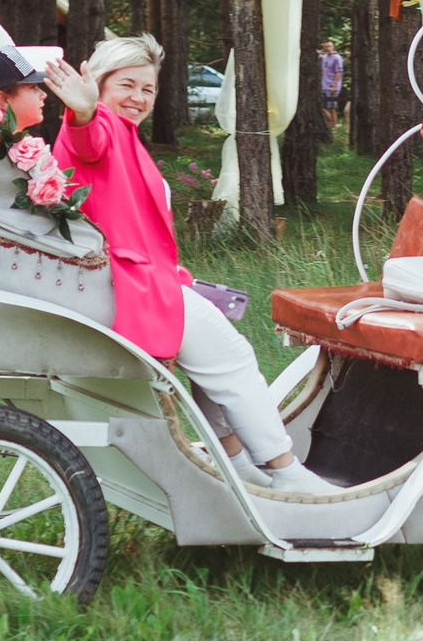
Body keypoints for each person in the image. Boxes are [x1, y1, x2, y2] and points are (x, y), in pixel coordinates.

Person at [43, 33, 339, 497]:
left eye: (148, 88)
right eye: (126, 85)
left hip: (143, 282)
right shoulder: (99, 125)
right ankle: (286, 470)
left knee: (215, 357)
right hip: (127, 288)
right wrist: (80, 110)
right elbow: (85, 140)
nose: (138, 98)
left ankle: (238, 462)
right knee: (234, 357)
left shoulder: (125, 132)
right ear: (96, 83)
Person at [318, 38, 345, 133]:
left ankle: (333, 128)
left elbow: (339, 72)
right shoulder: (324, 57)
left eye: (329, 46)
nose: (327, 48)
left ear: (333, 46)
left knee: (331, 107)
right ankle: (329, 126)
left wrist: (334, 85)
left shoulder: (337, 58)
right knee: (320, 106)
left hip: (332, 86)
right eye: (325, 47)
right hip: (323, 85)